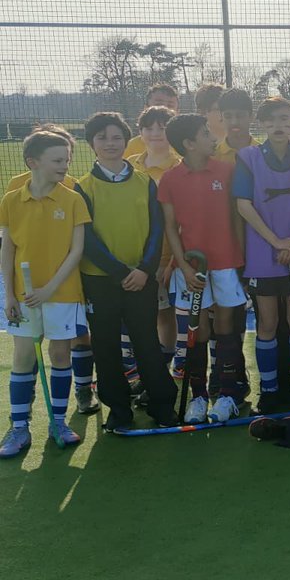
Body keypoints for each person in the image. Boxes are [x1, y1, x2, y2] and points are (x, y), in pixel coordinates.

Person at [74, 112, 176, 431]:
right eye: (102, 138)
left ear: (125, 140)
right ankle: (119, 409)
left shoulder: (145, 182)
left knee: (146, 342)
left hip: (141, 278)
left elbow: (156, 230)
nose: (110, 143)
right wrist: (120, 272)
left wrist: (145, 269)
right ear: (91, 144)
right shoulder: (82, 187)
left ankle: (161, 405)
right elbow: (87, 240)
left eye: (117, 137)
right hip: (101, 281)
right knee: (105, 347)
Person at [0, 130, 91, 456]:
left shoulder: (72, 199)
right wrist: (10, 295)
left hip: (63, 294)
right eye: (57, 160)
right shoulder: (11, 200)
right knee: (23, 356)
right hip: (24, 297)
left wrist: (49, 289)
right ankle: (19, 428)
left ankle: (59, 422)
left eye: (66, 159)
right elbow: (7, 250)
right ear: (32, 162)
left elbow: (76, 251)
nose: (65, 166)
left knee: (59, 356)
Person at [157, 113, 247, 423]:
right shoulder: (170, 179)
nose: (213, 137)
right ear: (189, 143)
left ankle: (226, 395)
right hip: (192, 268)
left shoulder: (227, 170)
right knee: (197, 331)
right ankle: (198, 397)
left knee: (227, 329)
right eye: (206, 132)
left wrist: (241, 259)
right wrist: (181, 265)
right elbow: (170, 227)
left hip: (225, 264)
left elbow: (237, 218)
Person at [232, 96, 290, 414]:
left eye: (285, 118)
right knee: (267, 323)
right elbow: (244, 205)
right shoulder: (248, 157)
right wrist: (277, 243)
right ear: (262, 125)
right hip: (263, 255)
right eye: (271, 121)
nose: (278, 125)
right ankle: (268, 392)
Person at [126, 105, 183, 374]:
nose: (155, 133)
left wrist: (170, 260)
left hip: (164, 258)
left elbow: (183, 220)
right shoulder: (129, 165)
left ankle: (166, 362)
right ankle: (137, 369)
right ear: (140, 132)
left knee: (164, 313)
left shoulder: (179, 166)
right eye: (149, 127)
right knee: (135, 315)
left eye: (162, 127)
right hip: (132, 258)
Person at [124, 83, 182, 159]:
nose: (164, 109)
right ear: (146, 109)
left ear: (177, 113)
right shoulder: (132, 147)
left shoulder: (186, 145)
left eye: (170, 106)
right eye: (158, 104)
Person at [213, 88, 255, 164]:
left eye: (240, 115)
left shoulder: (264, 155)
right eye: (228, 116)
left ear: (251, 117)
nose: (234, 122)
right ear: (221, 118)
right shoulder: (213, 157)